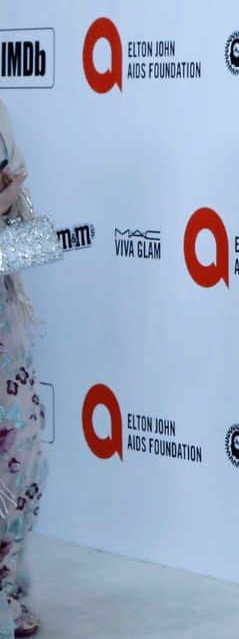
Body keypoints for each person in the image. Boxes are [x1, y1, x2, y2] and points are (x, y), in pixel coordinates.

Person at [0, 101, 44, 639]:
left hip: (9, 318)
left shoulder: (2, 113)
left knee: (27, 453)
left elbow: (27, 247)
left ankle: (9, 586)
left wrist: (15, 201)